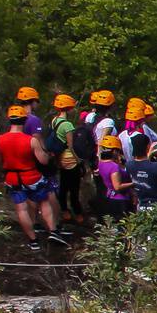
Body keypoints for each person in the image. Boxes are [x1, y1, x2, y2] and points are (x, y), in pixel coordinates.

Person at [0, 105, 63, 249]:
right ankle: (53, 230)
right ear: (24, 120)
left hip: (12, 178)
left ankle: (33, 241)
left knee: (21, 209)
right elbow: (43, 160)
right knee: (44, 202)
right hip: (31, 176)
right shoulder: (30, 140)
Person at [49, 93, 87, 226]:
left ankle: (64, 211)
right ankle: (78, 213)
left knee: (63, 187)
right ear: (69, 108)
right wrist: (79, 161)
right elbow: (70, 146)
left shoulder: (54, 121)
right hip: (70, 160)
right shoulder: (68, 125)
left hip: (60, 159)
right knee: (74, 189)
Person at [126, 132, 157, 206]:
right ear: (147, 147)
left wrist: (148, 154)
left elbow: (143, 165)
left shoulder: (129, 165)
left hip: (142, 206)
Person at [92, 135, 134, 220]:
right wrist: (134, 183)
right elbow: (117, 187)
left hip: (110, 196)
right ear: (114, 151)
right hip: (120, 200)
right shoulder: (114, 167)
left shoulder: (101, 163)